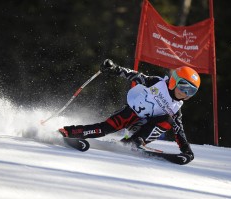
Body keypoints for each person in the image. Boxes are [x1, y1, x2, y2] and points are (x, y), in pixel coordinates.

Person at [59, 59, 200, 162]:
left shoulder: (176, 108)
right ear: (175, 81)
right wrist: (115, 69)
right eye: (183, 87)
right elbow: (137, 76)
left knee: (169, 121)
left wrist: (187, 151)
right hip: (129, 114)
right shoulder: (158, 83)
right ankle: (68, 132)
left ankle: (134, 142)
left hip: (142, 126)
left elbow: (179, 131)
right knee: (103, 129)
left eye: (191, 91)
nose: (185, 93)